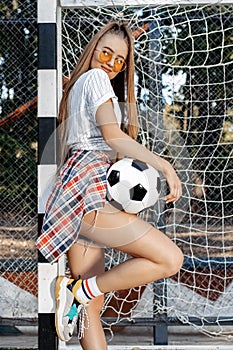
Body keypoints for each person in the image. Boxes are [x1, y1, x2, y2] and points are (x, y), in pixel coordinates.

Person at [37, 21, 183, 349]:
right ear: (93, 49)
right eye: (106, 52)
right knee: (169, 259)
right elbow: (112, 137)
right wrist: (163, 164)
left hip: (76, 191)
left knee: (91, 309)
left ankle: (83, 292)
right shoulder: (97, 79)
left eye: (119, 60)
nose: (110, 63)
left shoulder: (78, 85)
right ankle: (80, 290)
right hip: (87, 190)